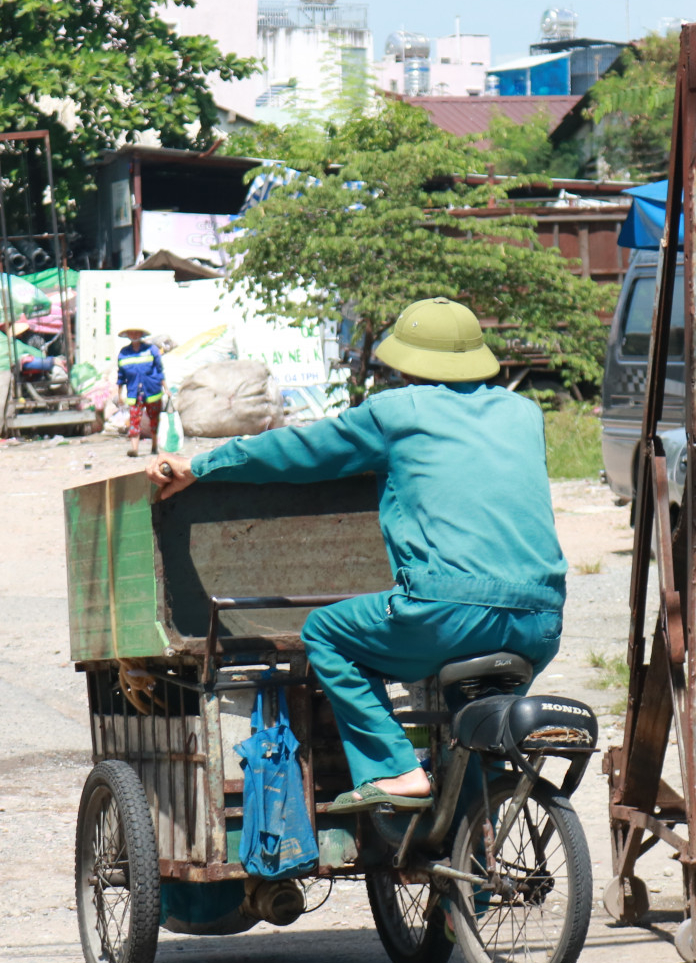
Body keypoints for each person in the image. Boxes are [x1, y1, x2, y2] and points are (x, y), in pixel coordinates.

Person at [148, 298, 566, 812]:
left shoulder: (398, 413)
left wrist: (202, 465)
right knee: (473, 743)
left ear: (406, 364)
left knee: (326, 631)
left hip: (446, 613)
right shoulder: (524, 413)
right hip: (540, 622)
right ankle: (472, 881)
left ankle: (396, 770)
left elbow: (298, 450)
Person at [115, 325, 166, 457]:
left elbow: (160, 370)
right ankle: (135, 449)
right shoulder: (123, 353)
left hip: (152, 391)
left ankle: (154, 446)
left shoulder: (151, 350)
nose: (134, 335)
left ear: (141, 334)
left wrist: (166, 388)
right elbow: (121, 376)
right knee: (134, 420)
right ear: (127, 335)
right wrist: (119, 394)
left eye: (136, 332)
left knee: (154, 419)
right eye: (131, 333)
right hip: (134, 393)